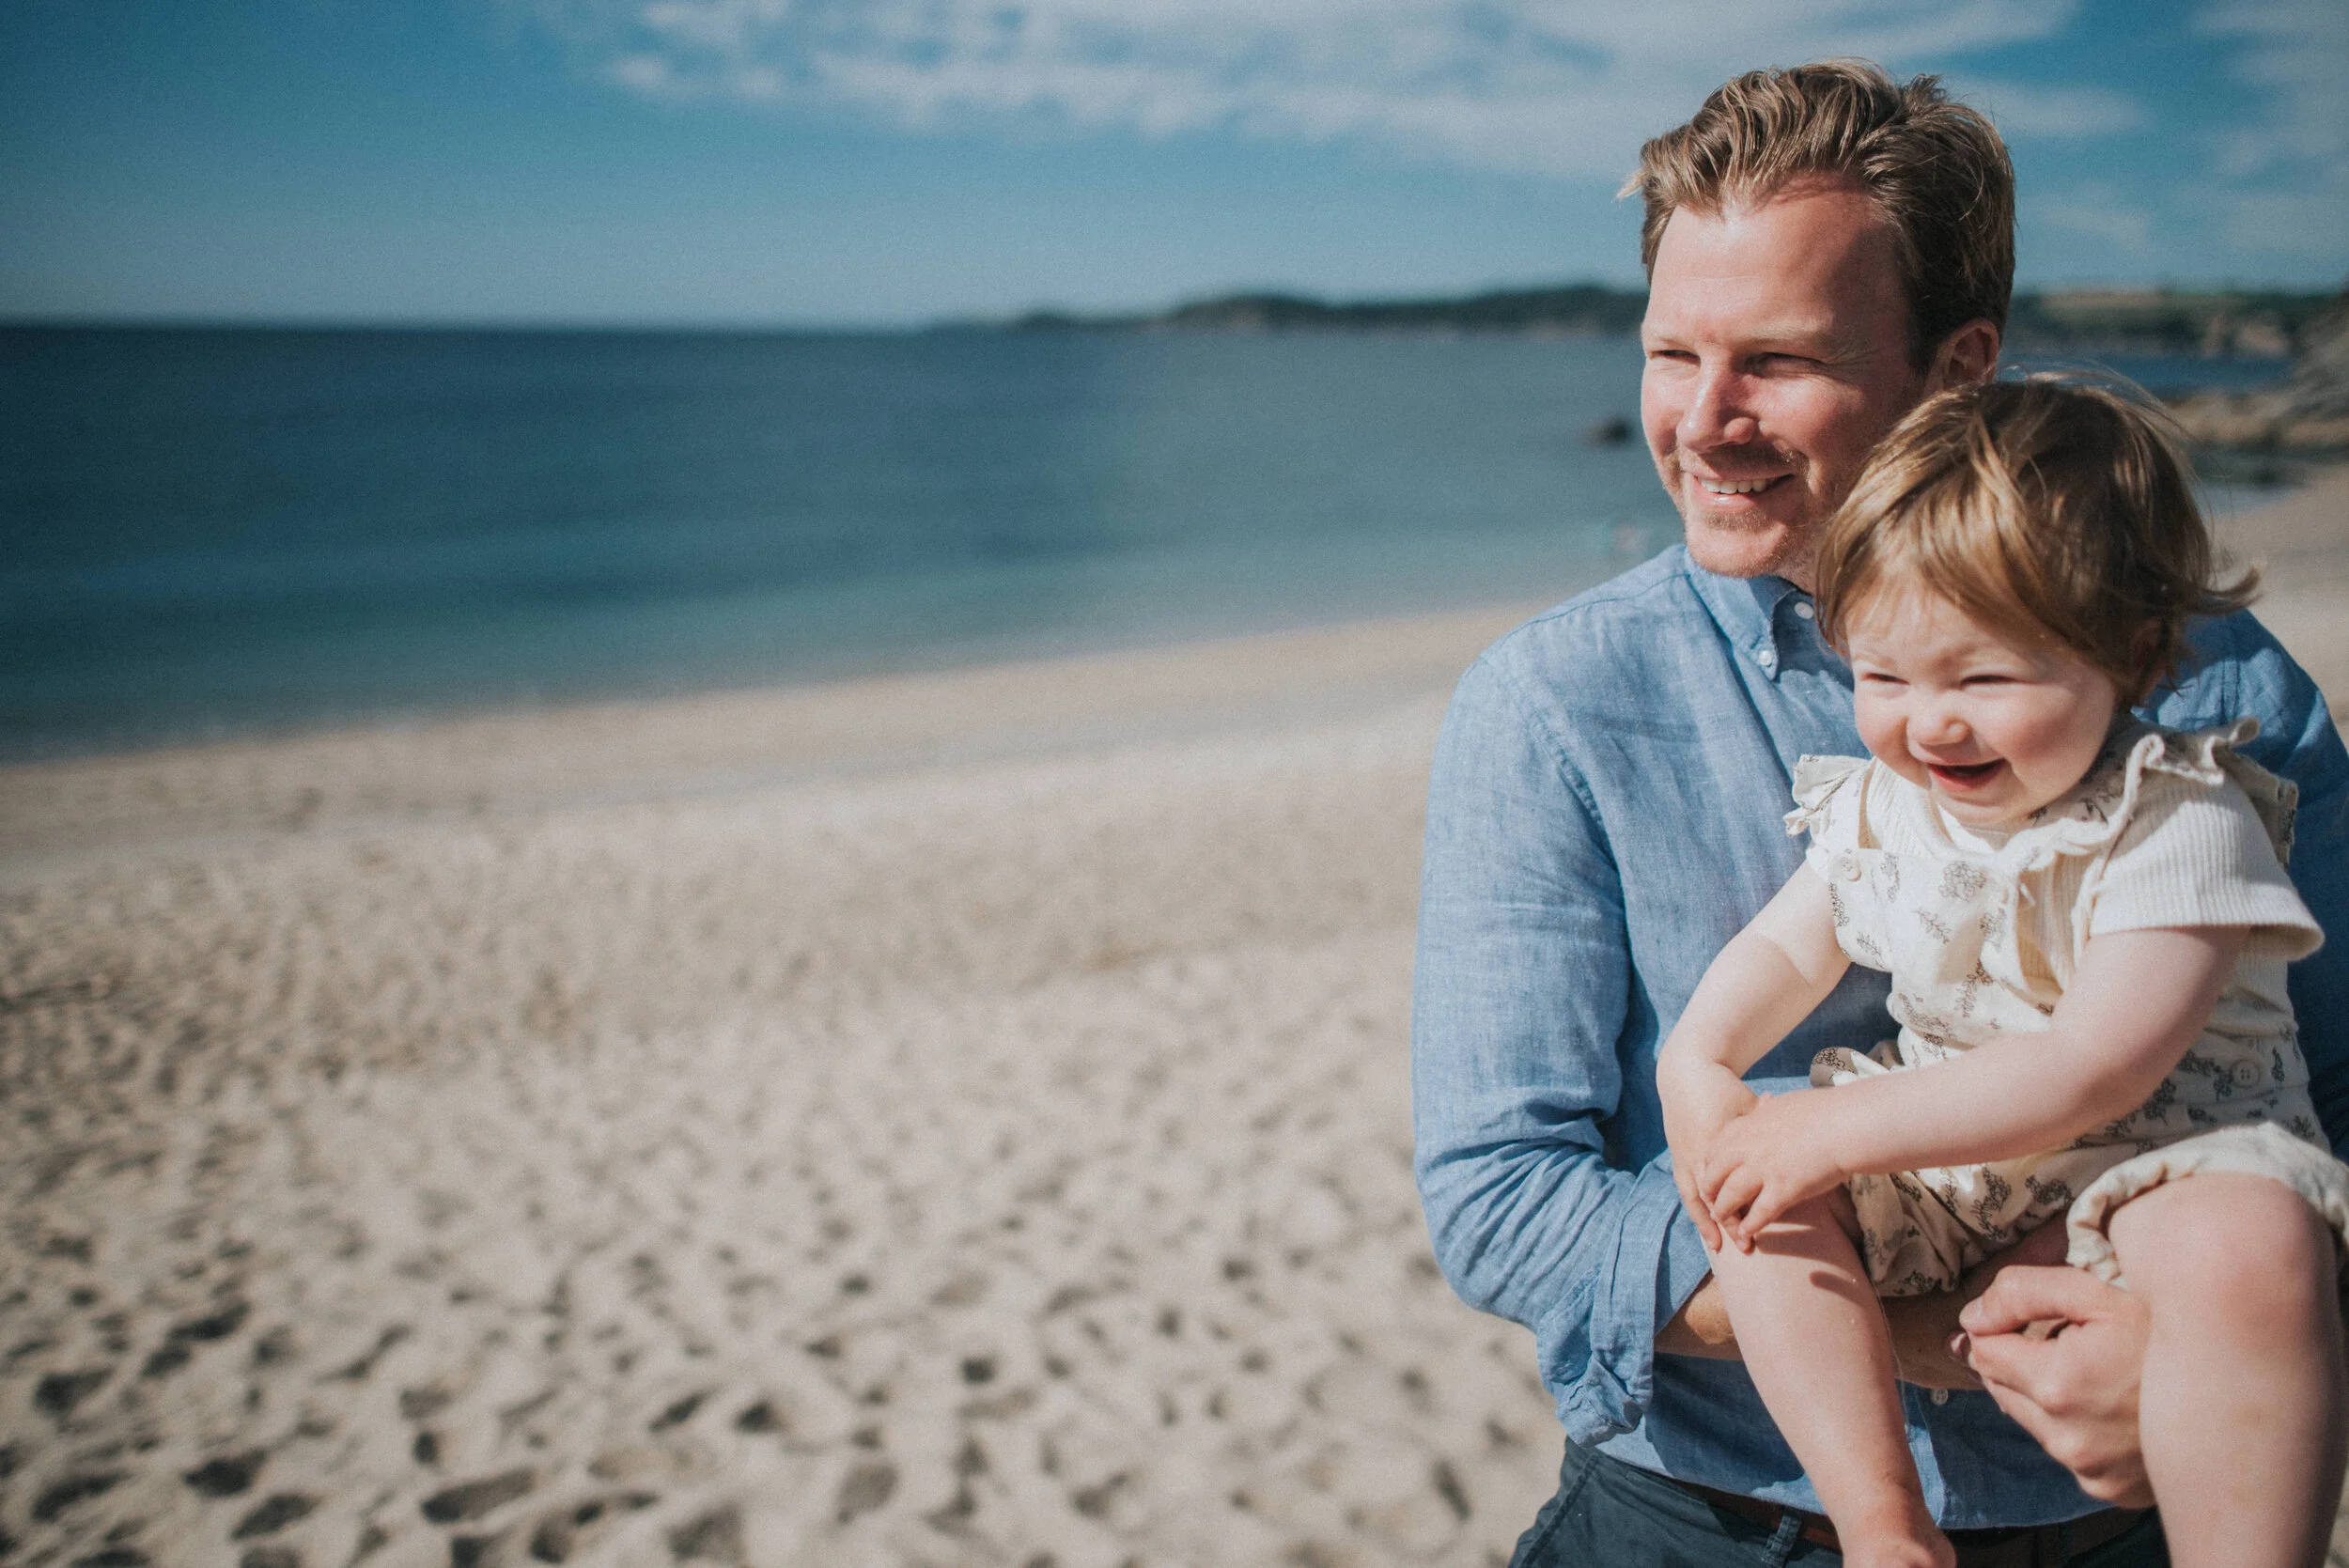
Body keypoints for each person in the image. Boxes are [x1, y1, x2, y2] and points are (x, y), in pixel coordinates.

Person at [1409, 59, 2349, 1564]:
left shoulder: (2218, 691)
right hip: (1708, 1522)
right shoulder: (1552, 705)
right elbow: (1505, 1201)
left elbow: (2336, 1092)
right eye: (1671, 355)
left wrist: (2205, 1334)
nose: (1703, 424)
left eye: (1774, 361)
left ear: (1957, 364)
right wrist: (1966, 1333)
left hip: (2130, 1520)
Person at [1659, 378, 2349, 1568]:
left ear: (2130, 654)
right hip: (1957, 1171)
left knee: (2249, 1249)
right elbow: (1786, 942)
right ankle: (1882, 1517)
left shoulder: (2175, 815)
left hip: (2166, 1155)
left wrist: (1837, 1130)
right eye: (1883, 677)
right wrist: (1700, 1054)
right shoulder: (1886, 806)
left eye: (1981, 680)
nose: (1930, 725)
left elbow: (2096, 1062)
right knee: (1758, 1209)